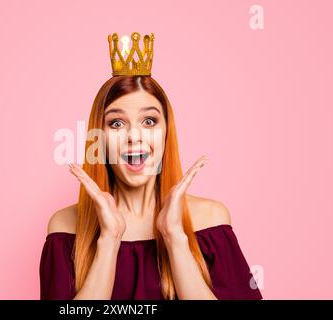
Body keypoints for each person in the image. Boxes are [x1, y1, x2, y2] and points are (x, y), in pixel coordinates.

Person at [39, 32, 263, 300]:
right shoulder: (65, 228)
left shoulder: (211, 221)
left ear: (167, 133)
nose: (135, 136)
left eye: (149, 121)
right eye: (117, 123)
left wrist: (175, 238)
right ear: (98, 137)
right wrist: (109, 240)